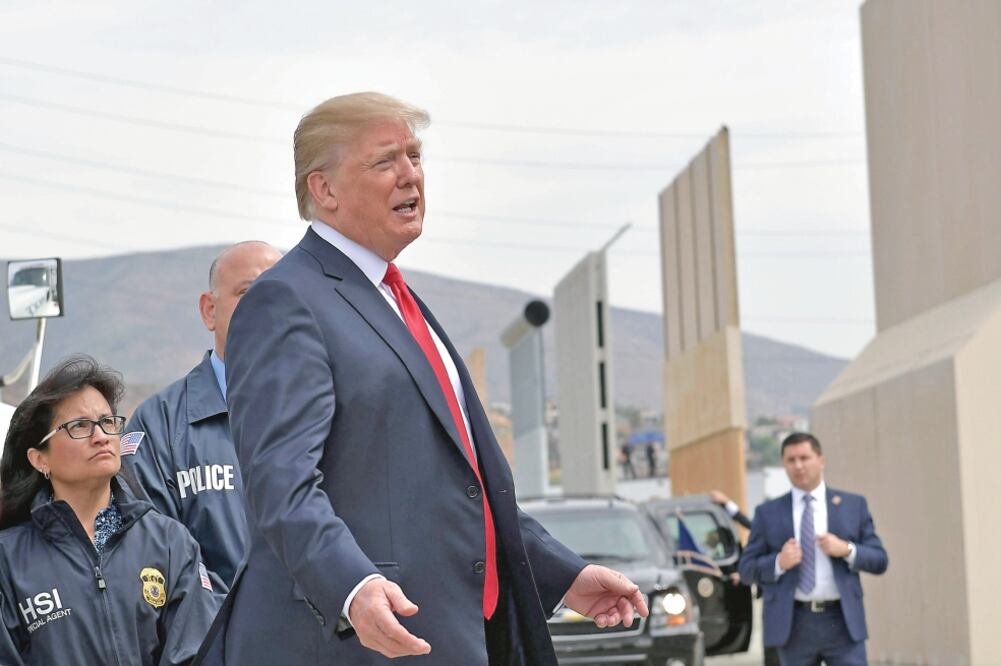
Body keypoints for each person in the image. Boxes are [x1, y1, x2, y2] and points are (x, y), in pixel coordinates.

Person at [206, 92, 648, 665]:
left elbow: (458, 487)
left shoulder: (395, 300)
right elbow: (280, 483)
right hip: (364, 643)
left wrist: (563, 575)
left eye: (415, 157)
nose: (410, 175)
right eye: (385, 161)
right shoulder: (285, 300)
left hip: (452, 634)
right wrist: (352, 587)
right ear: (325, 190)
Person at [0, 356, 220, 665]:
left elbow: (199, 654)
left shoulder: (169, 543)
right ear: (40, 459)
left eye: (107, 422)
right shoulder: (8, 561)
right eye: (79, 426)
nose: (101, 436)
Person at [122, 241, 281, 587]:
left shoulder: (328, 408)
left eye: (280, 293)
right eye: (247, 292)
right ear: (209, 310)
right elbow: (150, 556)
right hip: (212, 637)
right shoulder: (159, 425)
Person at [738, 432, 888, 665]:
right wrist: (779, 562)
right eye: (791, 460)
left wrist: (847, 549)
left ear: (821, 461)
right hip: (793, 624)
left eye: (805, 458)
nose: (798, 466)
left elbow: (879, 560)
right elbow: (747, 569)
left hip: (842, 622)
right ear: (784, 465)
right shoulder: (768, 513)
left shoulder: (852, 506)